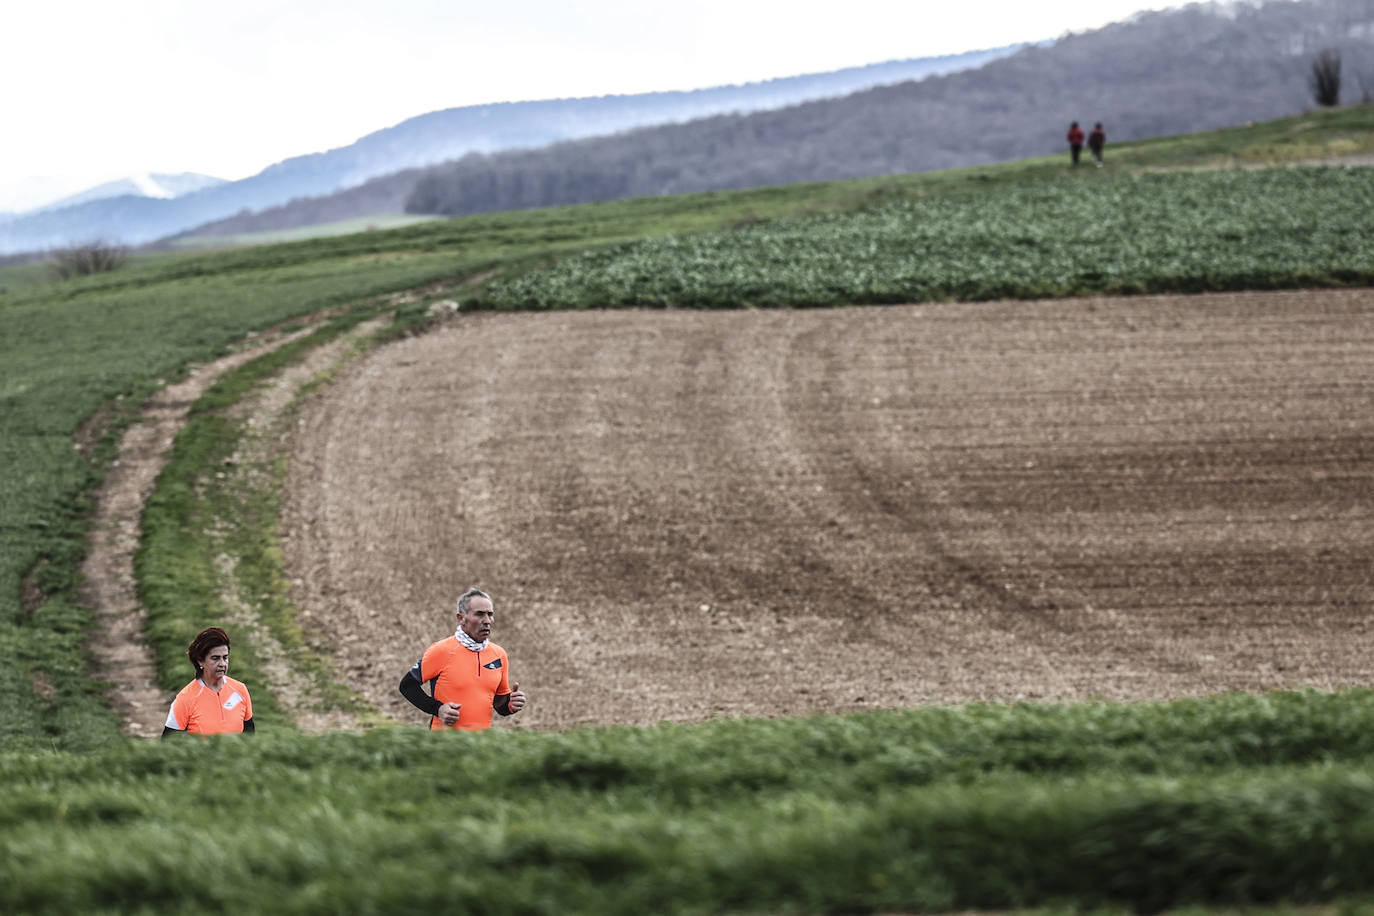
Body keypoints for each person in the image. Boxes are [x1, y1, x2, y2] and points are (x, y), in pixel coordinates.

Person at [399, 587, 526, 731]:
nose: (487, 621)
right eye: (479, 614)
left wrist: (511, 705)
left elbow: (499, 705)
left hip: (481, 745)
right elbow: (407, 686)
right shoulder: (441, 650)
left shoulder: (499, 654)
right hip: (443, 743)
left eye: (490, 614)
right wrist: (438, 709)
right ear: (461, 618)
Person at [162, 626, 255, 737]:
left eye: (225, 658)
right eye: (215, 658)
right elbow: (169, 744)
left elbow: (250, 737)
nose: (222, 664)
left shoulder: (240, 690)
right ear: (200, 661)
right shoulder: (185, 699)